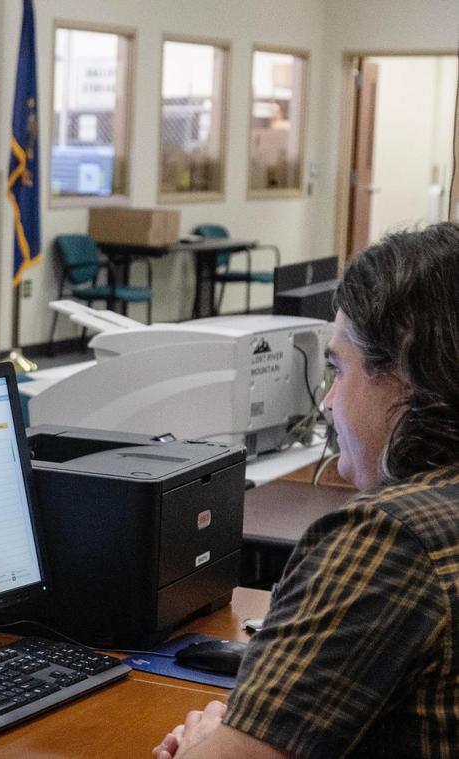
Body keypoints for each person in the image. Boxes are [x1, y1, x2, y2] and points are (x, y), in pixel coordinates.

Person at [154, 222, 459, 758]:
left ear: (405, 372)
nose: (328, 402)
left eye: (339, 369)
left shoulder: (390, 537)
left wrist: (207, 741)